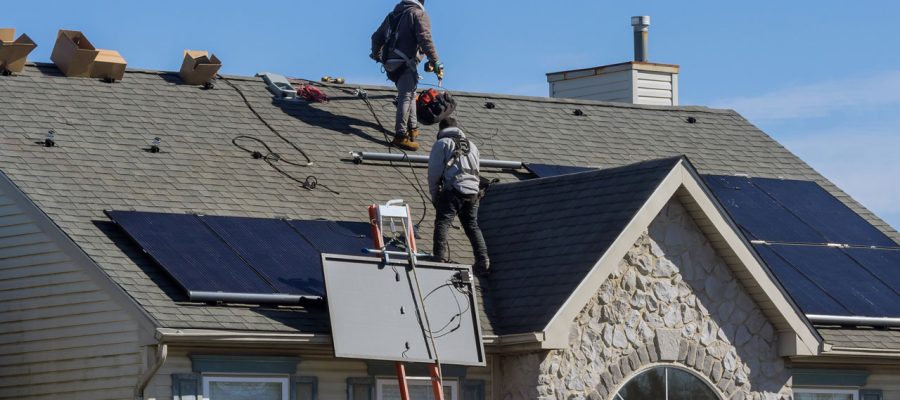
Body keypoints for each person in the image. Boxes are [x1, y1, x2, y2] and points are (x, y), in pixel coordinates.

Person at [371, 0, 443, 152]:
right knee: (406, 96)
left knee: (410, 94)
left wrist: (376, 54)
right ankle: (400, 135)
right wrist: (435, 61)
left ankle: (412, 128)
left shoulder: (394, 14)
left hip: (390, 65)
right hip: (404, 63)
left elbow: (376, 37)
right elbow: (425, 38)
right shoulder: (418, 14)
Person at [428, 117, 490, 276]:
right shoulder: (472, 146)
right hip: (473, 192)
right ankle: (483, 260)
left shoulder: (443, 144)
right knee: (472, 225)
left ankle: (439, 258)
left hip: (454, 189)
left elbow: (434, 173)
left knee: (443, 222)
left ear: (440, 131)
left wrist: (435, 196)